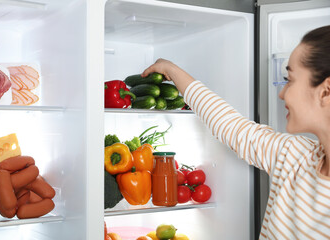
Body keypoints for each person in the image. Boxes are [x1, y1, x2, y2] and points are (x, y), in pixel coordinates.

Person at [141, 25, 330, 239]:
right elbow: (231, 125)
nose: (282, 94)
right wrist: (171, 70)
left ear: (326, 91)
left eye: (290, 81)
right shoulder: (294, 155)